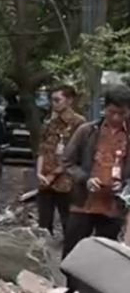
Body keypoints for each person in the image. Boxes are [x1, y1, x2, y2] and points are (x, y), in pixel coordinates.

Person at [61, 84, 130, 257]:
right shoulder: (87, 131)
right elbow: (67, 162)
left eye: (122, 113)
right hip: (83, 204)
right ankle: (71, 285)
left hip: (113, 206)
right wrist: (86, 179)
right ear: (104, 108)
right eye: (111, 112)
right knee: (72, 253)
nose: (116, 117)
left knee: (103, 257)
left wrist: (124, 186)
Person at [36, 85, 86, 236]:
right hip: (45, 181)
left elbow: (75, 155)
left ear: (69, 100)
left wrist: (54, 175)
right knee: (43, 223)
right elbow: (42, 149)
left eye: (58, 100)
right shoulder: (50, 122)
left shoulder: (79, 123)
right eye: (52, 100)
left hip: (65, 181)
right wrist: (39, 173)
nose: (54, 104)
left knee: (68, 221)